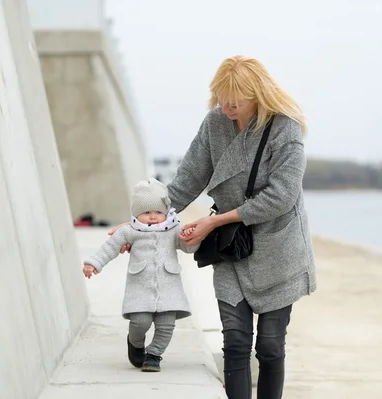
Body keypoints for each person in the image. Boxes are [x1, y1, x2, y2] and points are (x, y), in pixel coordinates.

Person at [112, 56, 316, 399]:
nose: (226, 108)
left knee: (269, 346)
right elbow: (185, 183)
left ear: (257, 95)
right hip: (232, 251)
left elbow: (282, 197)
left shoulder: (286, 129)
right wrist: (141, 225)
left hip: (279, 249)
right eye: (221, 100)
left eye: (234, 102)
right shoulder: (215, 124)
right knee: (235, 342)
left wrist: (214, 221)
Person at [82, 177, 199, 372]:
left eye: (158, 212)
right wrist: (94, 263)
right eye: (146, 212)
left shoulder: (174, 229)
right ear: (136, 213)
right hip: (140, 287)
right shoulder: (130, 231)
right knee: (140, 321)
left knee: (166, 326)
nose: (153, 217)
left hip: (169, 287)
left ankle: (154, 355)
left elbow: (188, 248)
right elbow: (110, 248)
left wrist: (191, 238)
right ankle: (135, 343)